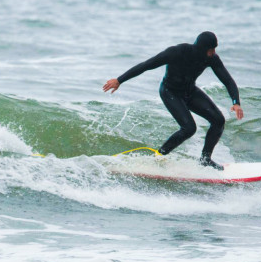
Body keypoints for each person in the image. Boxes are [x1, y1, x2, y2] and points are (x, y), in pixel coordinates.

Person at [102, 31, 244, 170]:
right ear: (202, 48)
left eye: (214, 49)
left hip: (190, 91)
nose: (213, 52)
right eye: (210, 49)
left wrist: (236, 102)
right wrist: (119, 80)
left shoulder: (211, 58)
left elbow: (227, 80)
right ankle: (159, 155)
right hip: (170, 92)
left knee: (218, 120)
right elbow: (146, 65)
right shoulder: (176, 52)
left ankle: (205, 160)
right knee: (189, 128)